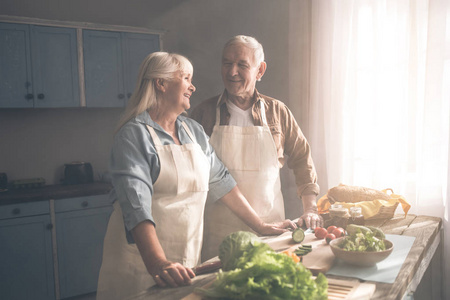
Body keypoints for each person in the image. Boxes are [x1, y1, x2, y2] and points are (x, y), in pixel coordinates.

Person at [96, 52, 296, 300]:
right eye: (186, 78)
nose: (193, 86)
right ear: (161, 83)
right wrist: (158, 262)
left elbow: (221, 181)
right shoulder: (133, 136)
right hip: (141, 262)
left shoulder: (193, 131)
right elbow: (136, 206)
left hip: (185, 260)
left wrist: (260, 226)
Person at [190, 35, 323, 261]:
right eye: (226, 63)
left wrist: (310, 208)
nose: (232, 72)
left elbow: (302, 159)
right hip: (220, 233)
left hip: (272, 226)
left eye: (242, 65)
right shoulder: (204, 113)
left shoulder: (278, 112)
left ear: (260, 70)